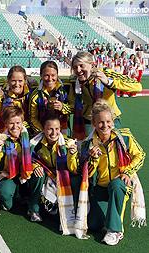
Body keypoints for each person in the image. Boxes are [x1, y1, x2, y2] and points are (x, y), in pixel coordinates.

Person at [80, 99, 145, 246]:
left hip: (120, 184)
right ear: (94, 124)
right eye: (100, 122)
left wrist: (127, 172)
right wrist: (93, 159)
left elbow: (140, 155)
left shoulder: (125, 138)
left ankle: (115, 230)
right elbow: (87, 175)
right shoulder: (88, 144)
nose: (105, 125)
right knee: (94, 225)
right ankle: (109, 215)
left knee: (116, 185)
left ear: (113, 121)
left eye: (108, 121)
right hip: (101, 187)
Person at [29, 113, 88, 238]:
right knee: (36, 174)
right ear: (43, 129)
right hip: (47, 174)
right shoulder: (35, 143)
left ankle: (75, 212)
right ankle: (34, 209)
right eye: (50, 129)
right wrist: (35, 165)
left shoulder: (68, 143)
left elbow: (74, 169)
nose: (54, 132)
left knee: (76, 180)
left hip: (63, 176)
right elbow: (28, 159)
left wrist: (72, 154)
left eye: (57, 129)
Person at [68, 51, 142, 140]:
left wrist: (108, 81)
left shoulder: (106, 73)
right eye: (75, 67)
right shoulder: (74, 80)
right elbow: (72, 104)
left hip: (110, 119)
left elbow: (137, 86)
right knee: (89, 149)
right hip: (89, 120)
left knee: (115, 148)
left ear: (92, 64)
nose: (78, 70)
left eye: (81, 66)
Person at [29, 61, 71, 135]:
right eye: (46, 75)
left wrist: (62, 107)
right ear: (41, 75)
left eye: (53, 75)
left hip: (63, 130)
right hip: (42, 132)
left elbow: (74, 109)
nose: (50, 79)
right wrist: (43, 132)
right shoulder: (36, 95)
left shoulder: (64, 90)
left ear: (57, 75)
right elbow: (33, 119)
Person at [0, 65, 36, 130]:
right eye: (13, 81)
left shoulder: (31, 95)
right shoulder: (2, 96)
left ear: (25, 80)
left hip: (29, 131)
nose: (17, 84)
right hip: (6, 132)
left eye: (20, 81)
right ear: (8, 80)